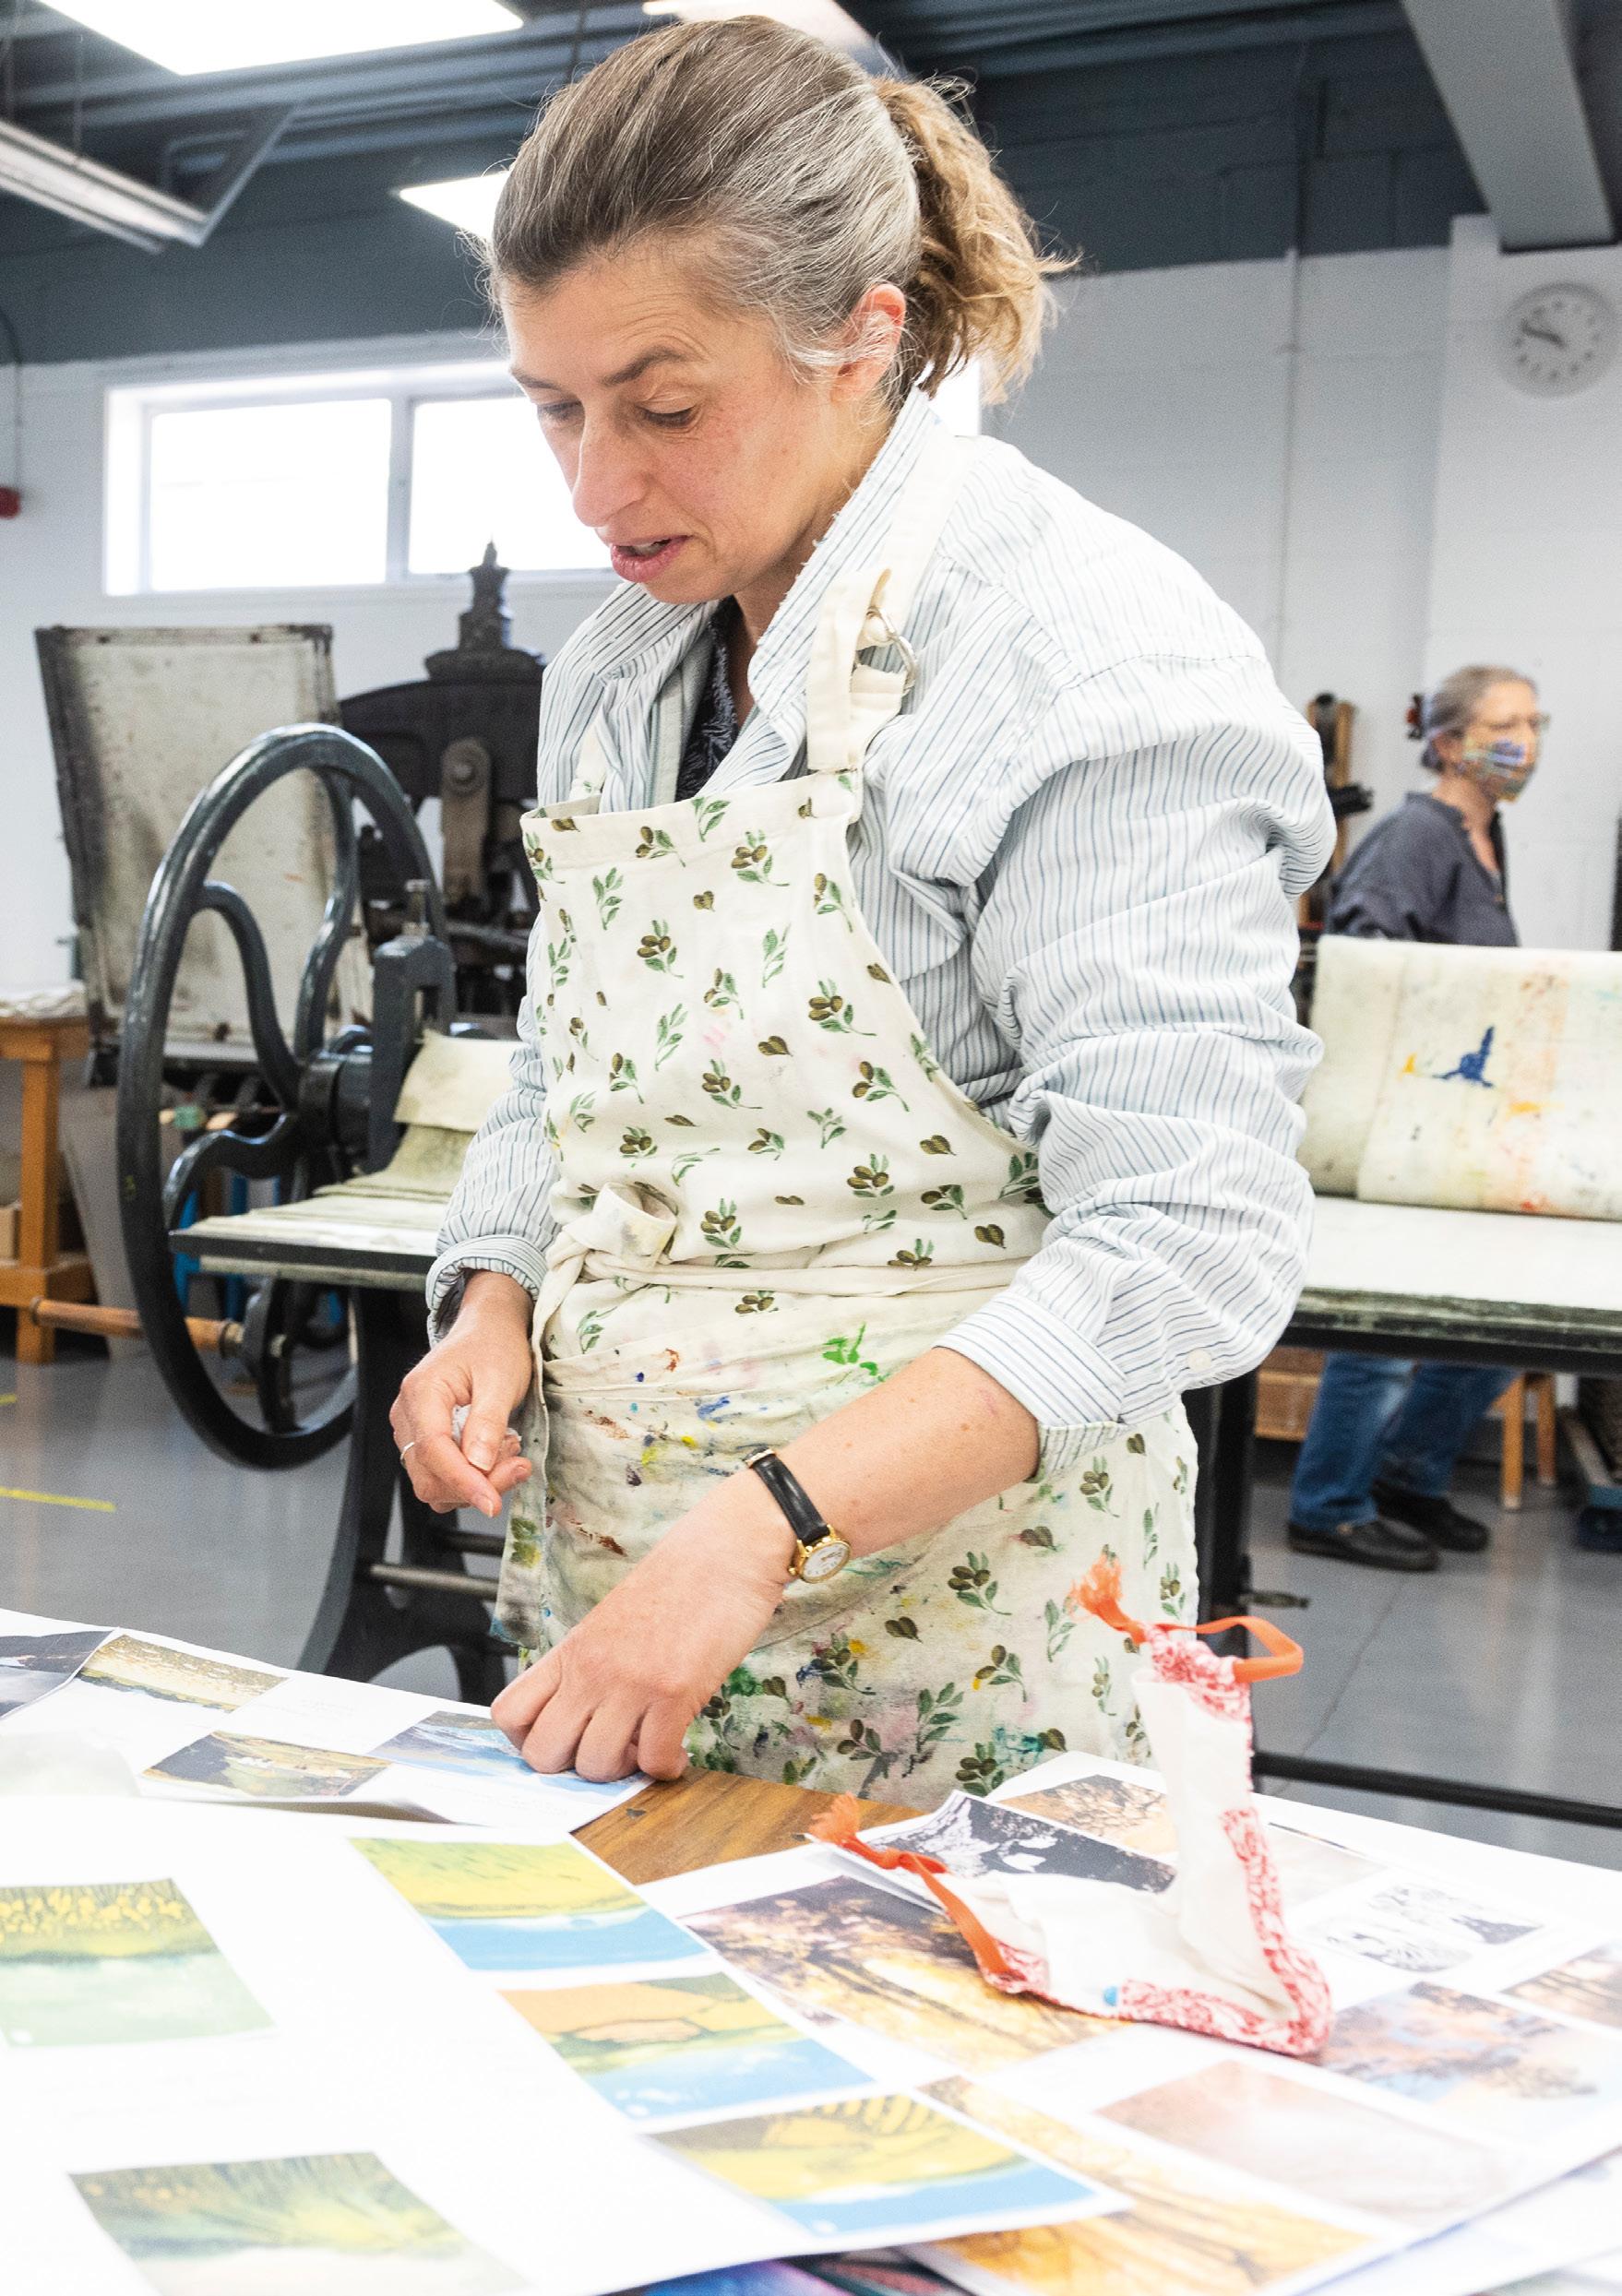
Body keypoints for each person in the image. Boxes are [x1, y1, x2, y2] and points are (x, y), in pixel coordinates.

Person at [389, 18, 1333, 1797]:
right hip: (625, 1621)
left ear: (866, 338)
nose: (595, 485)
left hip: (965, 1652)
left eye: (664, 407)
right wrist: (491, 1297)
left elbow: (1187, 1235)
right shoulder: (621, 663)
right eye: (553, 407)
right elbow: (576, 1072)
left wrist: (762, 1525)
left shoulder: (1079, 658)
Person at [1288, 664, 1544, 1572]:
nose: (1524, 742)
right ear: (1446, 741)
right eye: (1504, 724)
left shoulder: (1485, 837)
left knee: (1498, 1324)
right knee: (1384, 1333)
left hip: (1464, 1127)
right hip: (1403, 1122)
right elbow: (1362, 969)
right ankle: (1327, 1504)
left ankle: (1408, 1476)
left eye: (1533, 723)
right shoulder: (1416, 837)